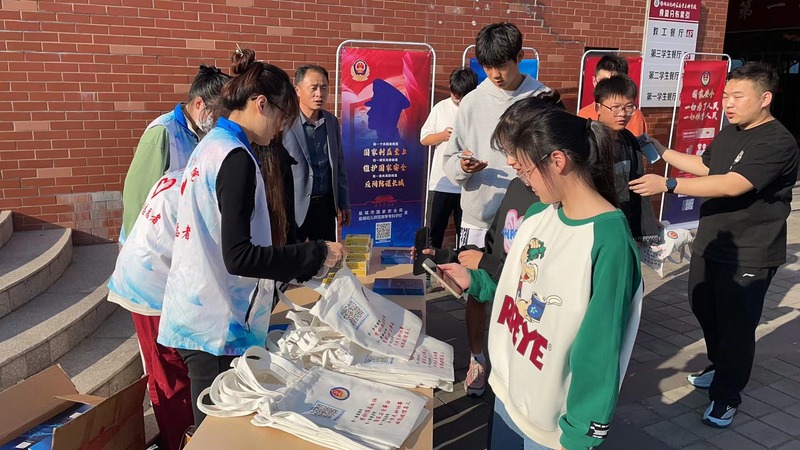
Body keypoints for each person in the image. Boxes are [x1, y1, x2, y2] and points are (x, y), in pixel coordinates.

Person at [157, 48, 346, 426]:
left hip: (203, 308)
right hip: (215, 323)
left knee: (217, 427)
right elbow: (239, 255)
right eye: (281, 118)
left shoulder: (213, 144)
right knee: (218, 431)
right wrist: (313, 253)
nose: (280, 130)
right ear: (261, 105)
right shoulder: (234, 157)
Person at [440, 106, 643, 450]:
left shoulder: (609, 241)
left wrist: (581, 433)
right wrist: (474, 282)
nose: (524, 180)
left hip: (551, 424)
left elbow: (601, 349)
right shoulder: (538, 214)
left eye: (526, 169)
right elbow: (516, 287)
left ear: (558, 161)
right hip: (507, 392)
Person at [630, 62, 799, 428]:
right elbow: (708, 167)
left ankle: (727, 396)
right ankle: (720, 367)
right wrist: (663, 152)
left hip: (751, 250)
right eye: (725, 96)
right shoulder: (731, 132)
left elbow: (732, 184)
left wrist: (668, 185)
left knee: (736, 326)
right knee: (703, 306)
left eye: (738, 96)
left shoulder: (777, 141)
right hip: (713, 241)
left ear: (765, 99)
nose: (728, 103)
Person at [442, 21, 552, 397]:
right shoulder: (473, 102)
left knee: (527, 290)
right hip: (480, 213)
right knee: (477, 290)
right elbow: (450, 159)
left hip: (529, 215)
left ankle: (516, 362)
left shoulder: (542, 98)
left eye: (501, 66)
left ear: (519, 57)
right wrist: (463, 167)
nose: (494, 75)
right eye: (487, 66)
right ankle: (477, 357)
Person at [107, 170, 191, 450]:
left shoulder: (182, 174)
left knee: (171, 367)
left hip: (151, 274)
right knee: (167, 371)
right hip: (149, 286)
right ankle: (179, 442)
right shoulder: (201, 186)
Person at [121, 65, 230, 242]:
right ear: (199, 104)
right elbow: (137, 196)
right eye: (217, 115)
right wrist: (135, 246)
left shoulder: (205, 133)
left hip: (180, 236)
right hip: (150, 240)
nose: (219, 121)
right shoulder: (163, 132)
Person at [282, 65, 350, 242]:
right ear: (297, 90)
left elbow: (339, 164)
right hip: (294, 207)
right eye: (313, 88)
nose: (319, 94)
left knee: (326, 255)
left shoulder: (331, 121)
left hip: (325, 206)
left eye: (324, 88)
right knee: (293, 255)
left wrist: (343, 202)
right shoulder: (284, 123)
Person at [593, 75, 660, 243]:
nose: (622, 114)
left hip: (625, 220)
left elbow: (637, 185)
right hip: (598, 225)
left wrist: (647, 221)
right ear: (598, 108)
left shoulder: (629, 140)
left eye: (629, 107)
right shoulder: (588, 142)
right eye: (615, 108)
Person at [420, 68, 479, 249]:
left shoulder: (478, 110)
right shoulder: (441, 108)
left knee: (468, 238)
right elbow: (424, 139)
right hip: (441, 183)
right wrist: (442, 135)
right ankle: (429, 266)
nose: (457, 100)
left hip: (469, 186)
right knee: (433, 236)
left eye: (461, 97)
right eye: (455, 95)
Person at [578, 54, 648, 136]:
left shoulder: (633, 115)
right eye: (603, 81)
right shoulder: (583, 113)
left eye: (614, 82)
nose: (622, 114)